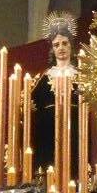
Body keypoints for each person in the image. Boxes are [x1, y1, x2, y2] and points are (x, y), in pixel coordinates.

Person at [30, 11, 79, 174]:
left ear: (71, 46)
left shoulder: (82, 77)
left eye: (65, 43)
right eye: (56, 45)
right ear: (52, 48)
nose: (61, 48)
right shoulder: (43, 78)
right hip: (48, 133)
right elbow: (31, 105)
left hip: (76, 132)